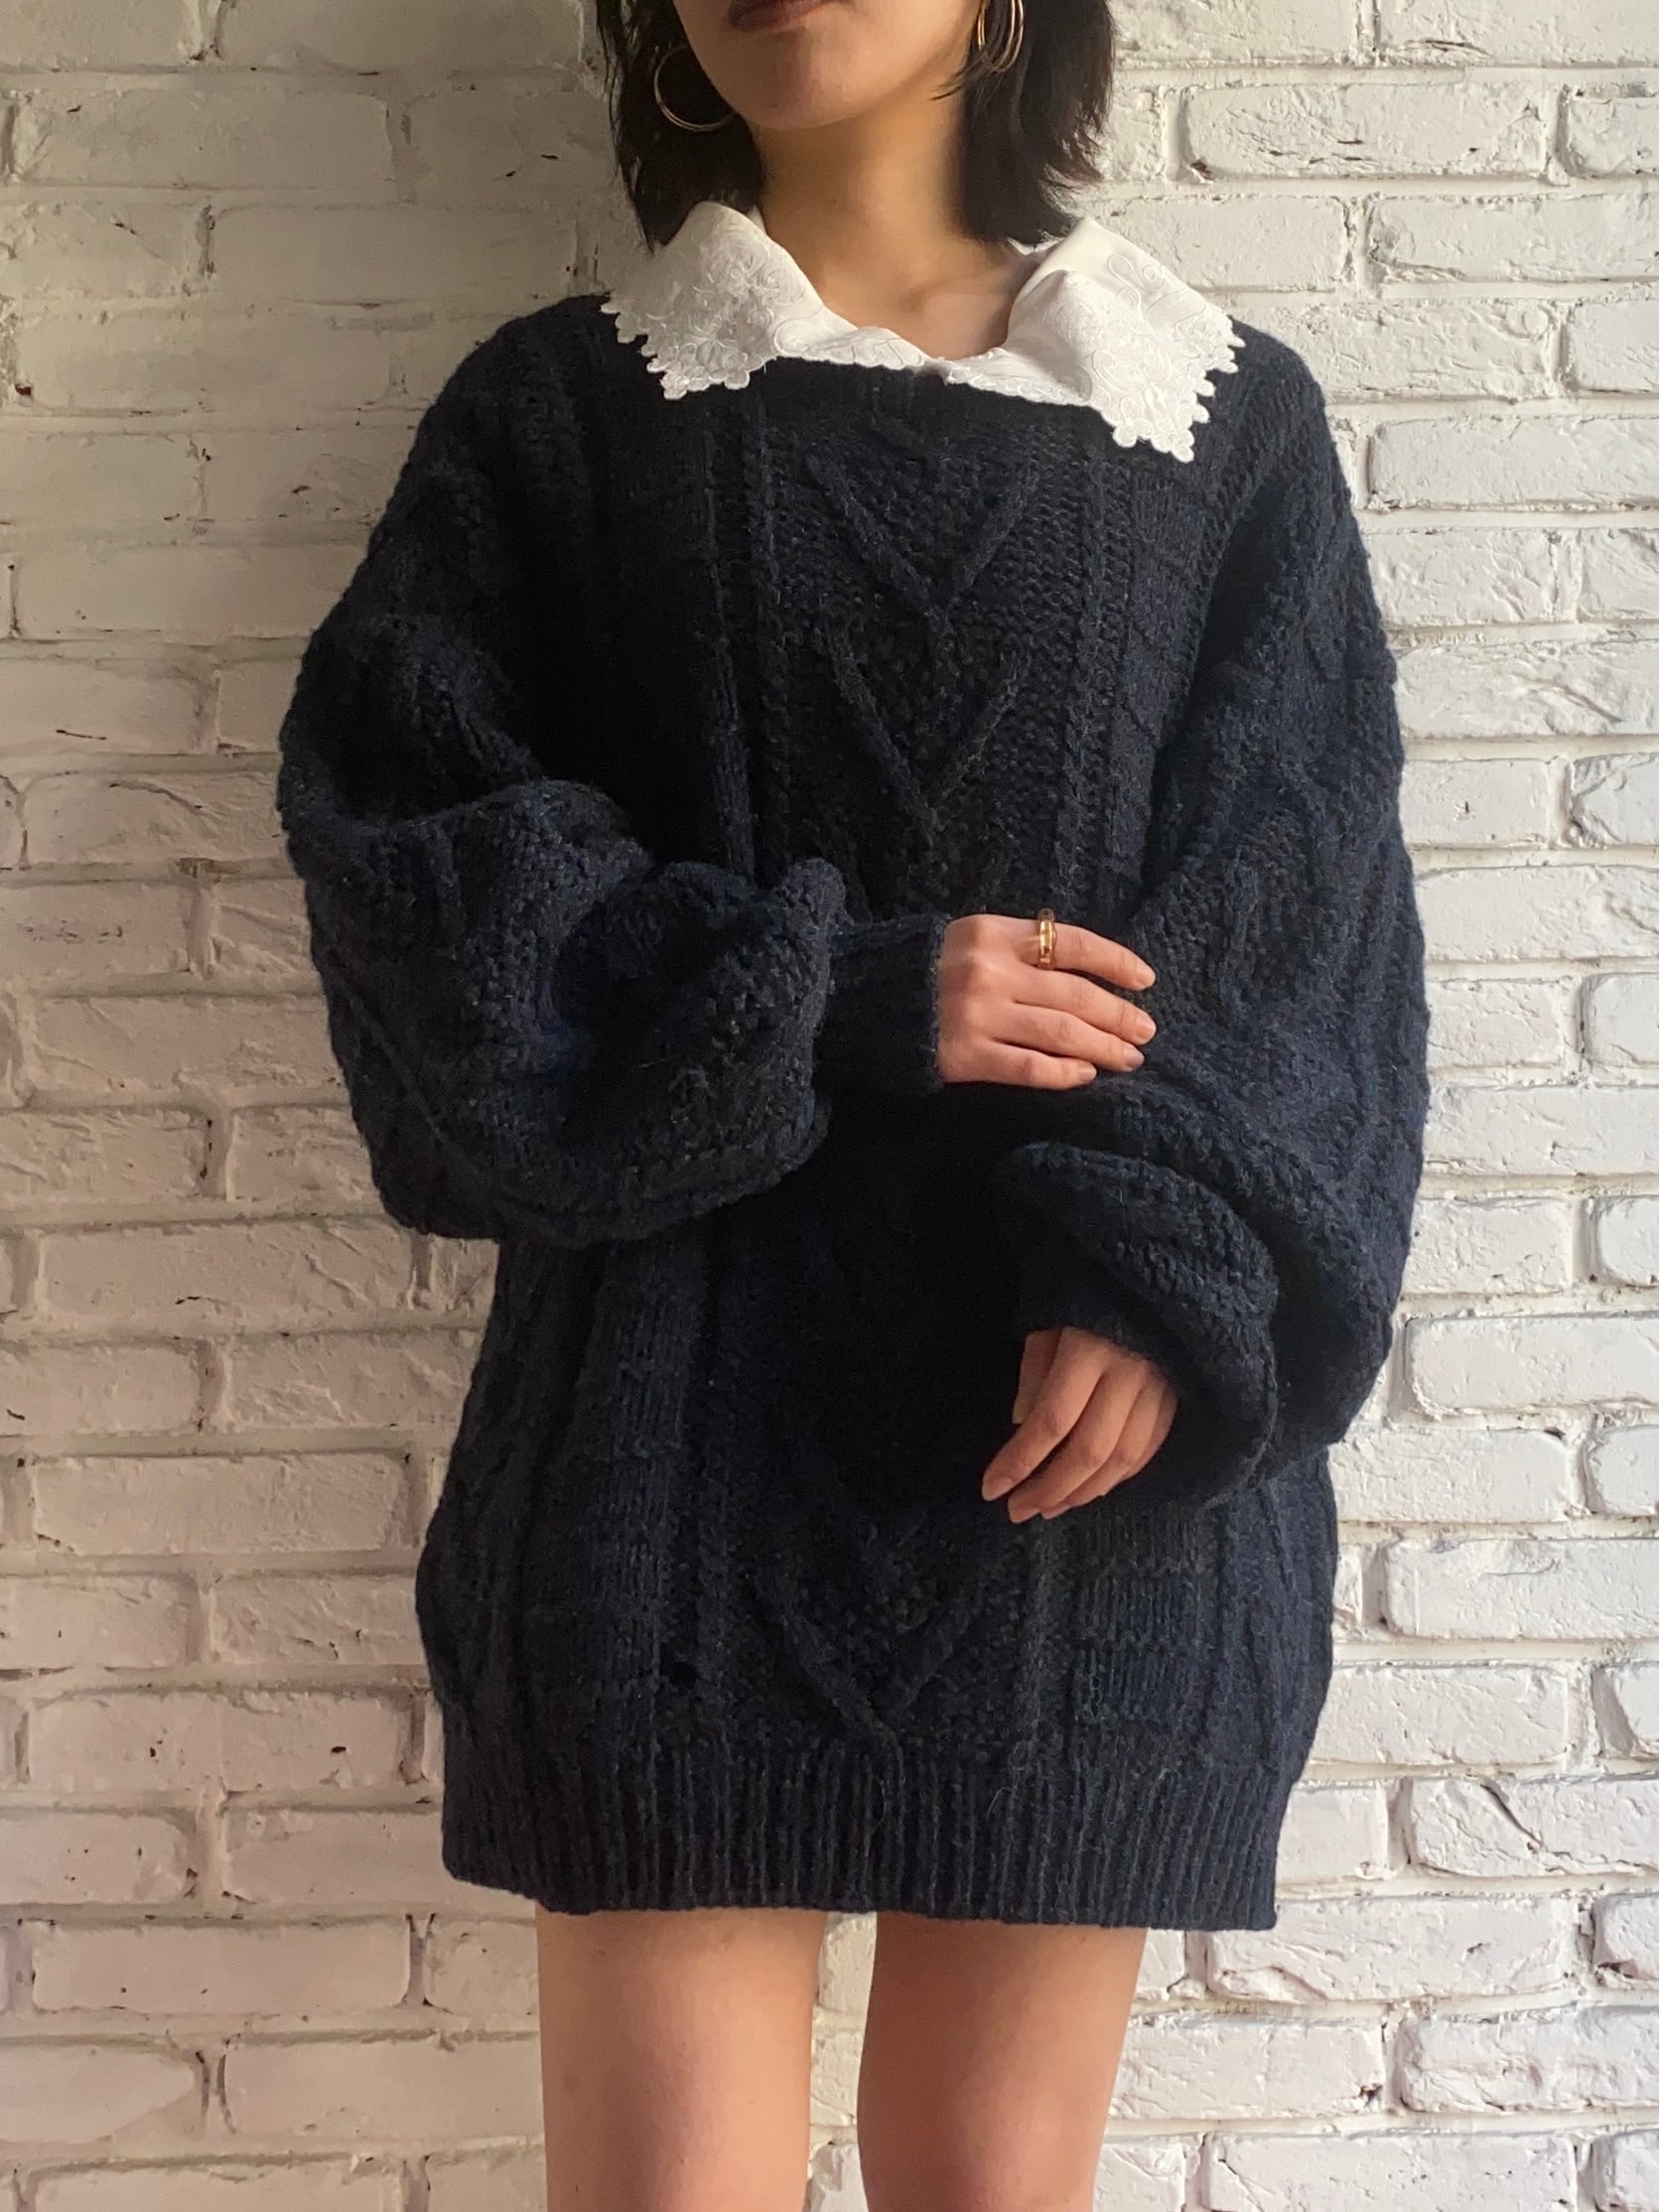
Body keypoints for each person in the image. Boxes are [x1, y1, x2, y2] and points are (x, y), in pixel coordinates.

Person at [273, 0, 1433, 2204]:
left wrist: (1165, 1274)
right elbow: (423, 872)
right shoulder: (559, 411)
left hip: (1084, 1471)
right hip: (661, 1469)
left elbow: (1309, 924)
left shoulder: (1214, 417)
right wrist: (838, 994)